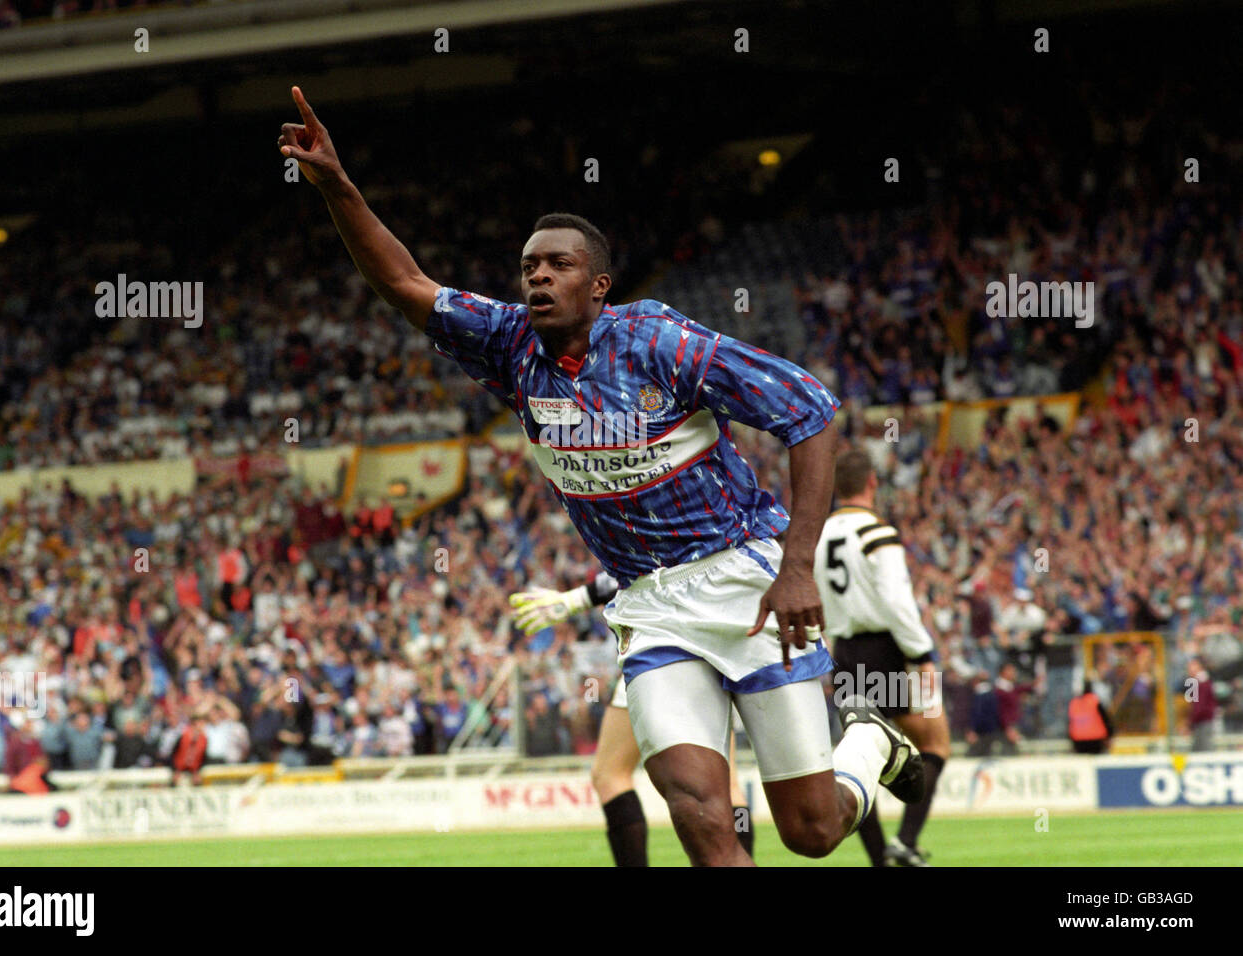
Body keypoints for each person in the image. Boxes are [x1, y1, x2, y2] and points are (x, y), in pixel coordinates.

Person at [281, 88, 923, 866]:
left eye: (558, 265)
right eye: (528, 268)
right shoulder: (509, 346)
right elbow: (406, 286)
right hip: (651, 609)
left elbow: (810, 412)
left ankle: (865, 746)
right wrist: (338, 186)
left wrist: (795, 569)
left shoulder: (660, 343)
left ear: (599, 286)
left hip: (746, 584)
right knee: (700, 816)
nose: (537, 279)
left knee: (812, 832)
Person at [510, 577, 754, 866]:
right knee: (728, 785)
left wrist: (576, 599)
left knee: (610, 774)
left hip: (661, 637)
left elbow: (643, 564)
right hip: (724, 633)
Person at [814, 448, 950, 867]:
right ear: (872, 483)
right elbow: (897, 601)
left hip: (845, 653)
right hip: (886, 650)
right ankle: (905, 842)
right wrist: (922, 653)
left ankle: (879, 858)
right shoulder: (878, 533)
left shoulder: (818, 537)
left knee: (860, 755)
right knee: (935, 741)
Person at [1068, 679, 1114, 754]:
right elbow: (1105, 719)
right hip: (1096, 740)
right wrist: (1110, 735)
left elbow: (1070, 724)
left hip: (1078, 742)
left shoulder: (1073, 703)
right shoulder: (1095, 701)